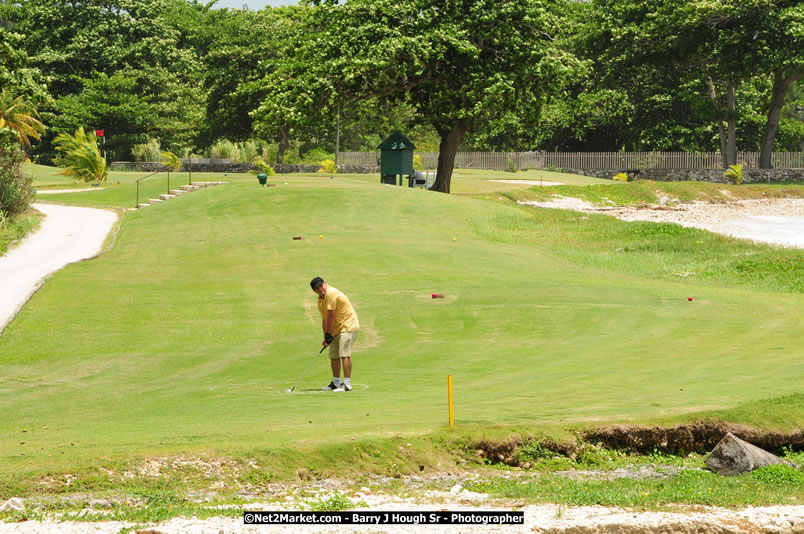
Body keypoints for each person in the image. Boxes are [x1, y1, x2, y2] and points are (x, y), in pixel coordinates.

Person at [310, 276, 359, 392]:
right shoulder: (320, 301)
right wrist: (326, 337)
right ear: (315, 291)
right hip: (337, 328)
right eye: (317, 288)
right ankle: (336, 383)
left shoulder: (331, 293)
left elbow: (332, 315)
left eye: (321, 286)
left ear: (325, 283)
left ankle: (347, 384)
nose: (320, 289)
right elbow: (325, 320)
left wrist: (329, 333)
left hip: (348, 325)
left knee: (344, 354)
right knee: (333, 355)